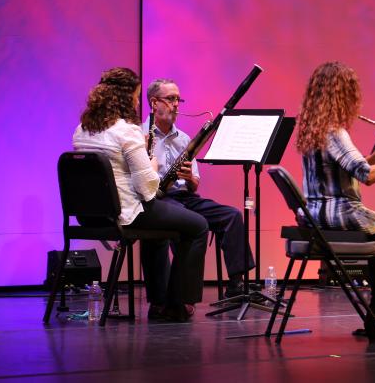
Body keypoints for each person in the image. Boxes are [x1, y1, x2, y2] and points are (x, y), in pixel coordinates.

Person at [295, 61, 375, 341]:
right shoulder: (334, 132)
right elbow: (366, 175)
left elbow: (352, 167)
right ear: (342, 95)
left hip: (318, 214)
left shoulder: (314, 129)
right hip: (340, 213)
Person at [72, 67, 208, 321]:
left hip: (91, 216)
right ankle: (177, 304)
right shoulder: (127, 130)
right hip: (126, 213)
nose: (137, 102)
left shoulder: (82, 129)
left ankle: (159, 301)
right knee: (198, 225)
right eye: (135, 97)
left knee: (168, 223)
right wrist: (153, 165)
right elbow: (148, 190)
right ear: (125, 99)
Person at [144, 79, 254, 297]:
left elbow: (194, 184)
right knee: (188, 221)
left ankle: (236, 284)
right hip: (159, 199)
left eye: (178, 99)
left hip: (183, 196)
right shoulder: (141, 134)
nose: (176, 104)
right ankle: (180, 293)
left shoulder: (184, 138)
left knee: (232, 215)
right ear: (154, 103)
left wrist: (189, 179)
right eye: (170, 99)